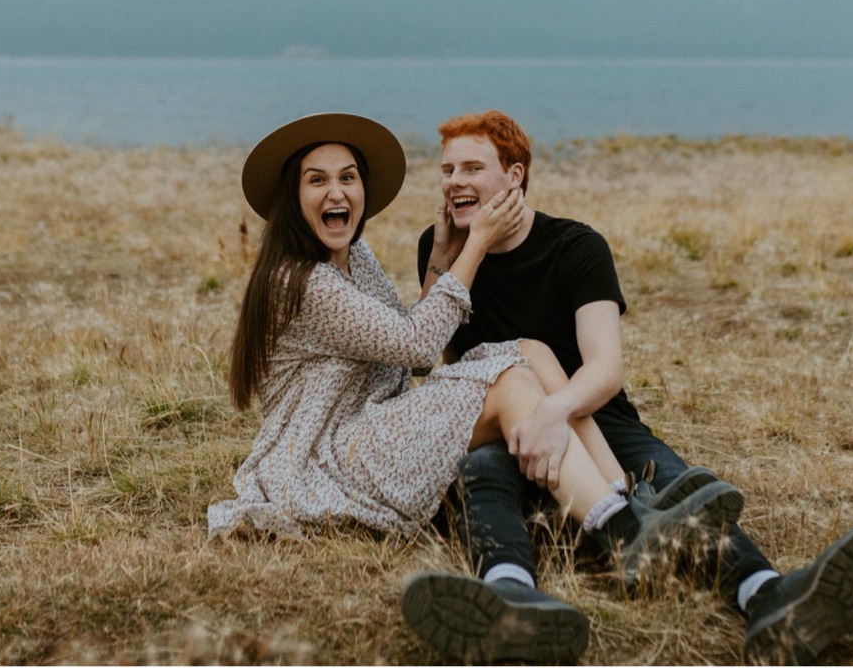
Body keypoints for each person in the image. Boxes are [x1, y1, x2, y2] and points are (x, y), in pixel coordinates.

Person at [206, 113, 745, 664]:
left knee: (531, 352)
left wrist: (442, 254)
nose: (336, 191)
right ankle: (622, 529)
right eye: (316, 180)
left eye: (347, 177)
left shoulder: (355, 258)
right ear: (291, 197)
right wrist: (475, 246)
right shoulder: (301, 281)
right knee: (511, 380)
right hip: (328, 453)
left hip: (373, 424)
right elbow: (420, 348)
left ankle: (625, 505)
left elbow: (406, 348)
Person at [405, 110, 853, 664]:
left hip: (594, 417)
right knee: (480, 471)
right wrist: (445, 258)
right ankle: (510, 597)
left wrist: (556, 411)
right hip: (503, 424)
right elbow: (435, 362)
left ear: (515, 175)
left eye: (472, 168)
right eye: (448, 169)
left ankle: (768, 596)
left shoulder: (575, 247)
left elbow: (604, 368)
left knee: (676, 487)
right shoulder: (444, 245)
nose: (454, 181)